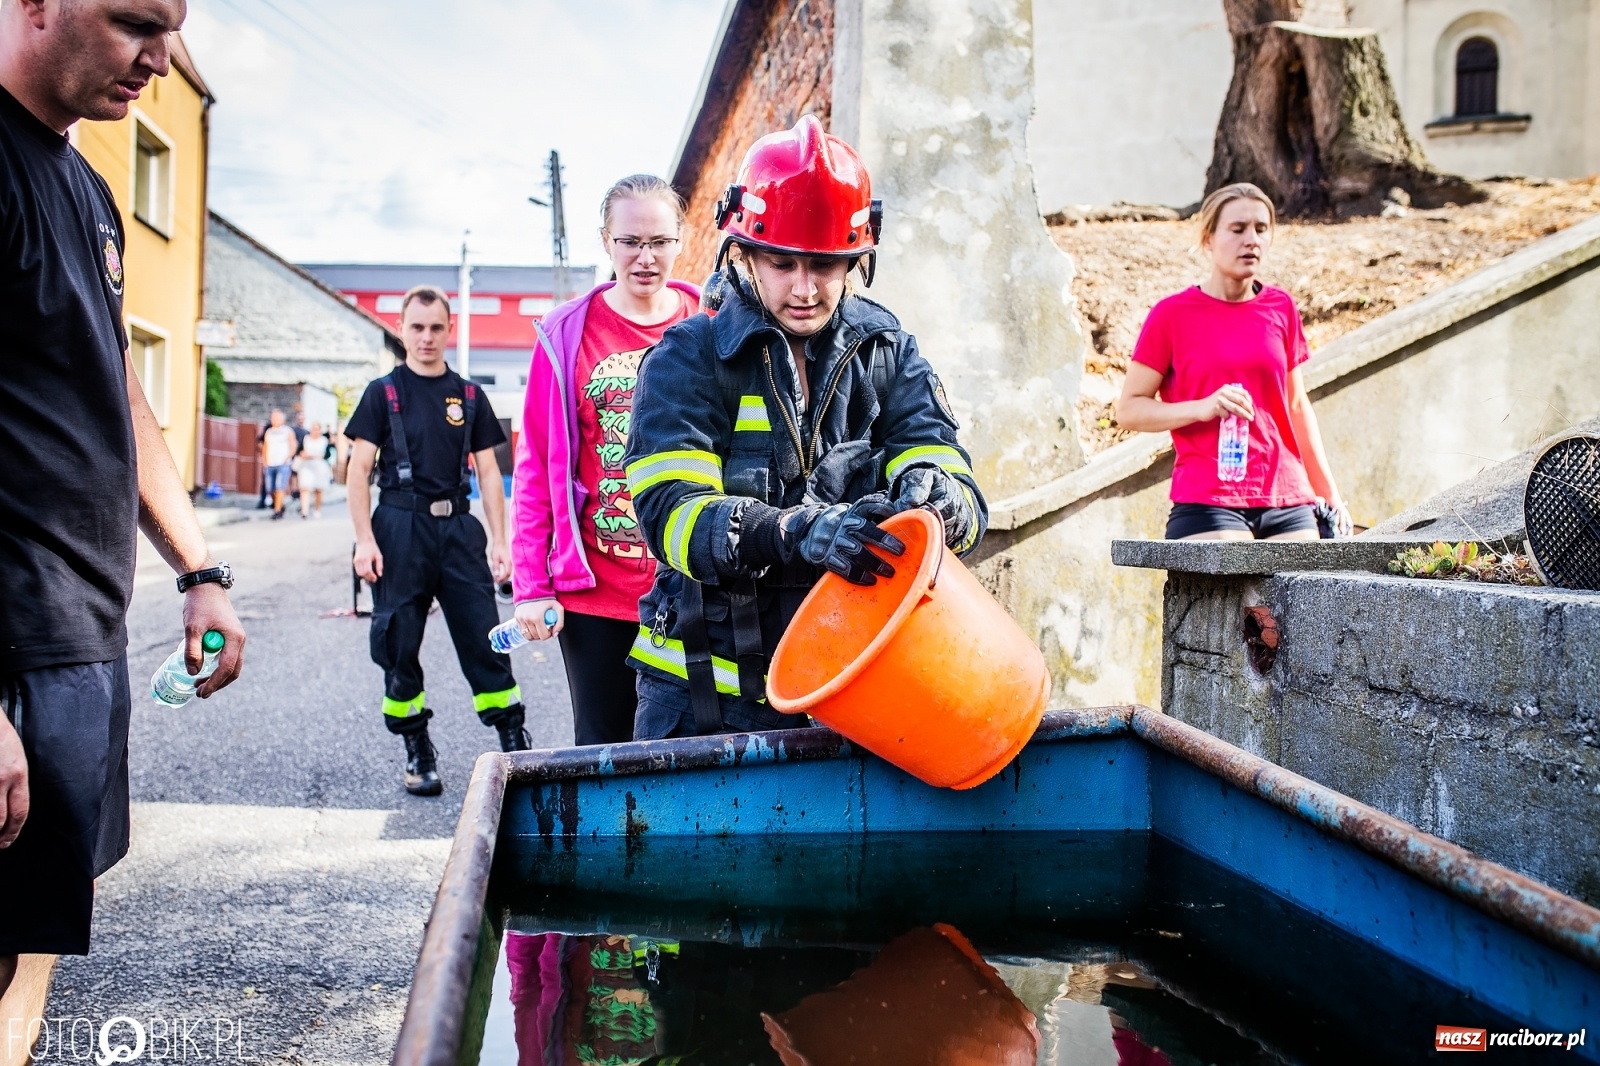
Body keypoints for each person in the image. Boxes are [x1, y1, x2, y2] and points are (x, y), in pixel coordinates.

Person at [0, 0, 246, 1049]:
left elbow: (121, 401)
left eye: (172, 27)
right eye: (135, 21)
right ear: (36, 5)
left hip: (75, 644)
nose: (161, 58)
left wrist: (201, 564)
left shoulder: (89, 186)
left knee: (29, 938)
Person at [622, 115, 986, 740]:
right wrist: (793, 533)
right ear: (746, 253)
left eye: (825, 265)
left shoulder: (887, 352)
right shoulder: (689, 357)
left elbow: (957, 482)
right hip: (705, 696)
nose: (804, 288)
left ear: (856, 261)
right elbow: (670, 516)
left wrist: (939, 496)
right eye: (782, 261)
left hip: (854, 686)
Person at [510, 175, 700, 746]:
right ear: (606, 241)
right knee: (603, 746)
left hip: (692, 583)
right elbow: (537, 466)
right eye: (630, 241)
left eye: (660, 241)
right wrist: (532, 585)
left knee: (693, 745)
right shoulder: (566, 334)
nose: (645, 258)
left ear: (681, 240)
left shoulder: (711, 322)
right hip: (598, 590)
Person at [345, 285, 525, 797]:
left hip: (458, 529)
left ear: (449, 331)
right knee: (398, 642)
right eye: (417, 327)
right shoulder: (382, 393)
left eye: (436, 327)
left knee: (483, 636)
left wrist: (499, 541)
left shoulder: (469, 395)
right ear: (402, 330)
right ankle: (416, 748)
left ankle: (512, 741)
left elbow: (490, 474)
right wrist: (364, 541)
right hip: (399, 528)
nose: (426, 337)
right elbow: (358, 472)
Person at [1116, 182, 1351, 541]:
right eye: (1238, 229)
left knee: (1298, 597)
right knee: (1235, 595)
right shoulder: (1171, 316)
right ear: (1209, 239)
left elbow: (1296, 406)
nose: (1252, 239)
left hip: (1287, 495)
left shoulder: (1281, 307)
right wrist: (1201, 408)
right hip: (1208, 499)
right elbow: (1129, 410)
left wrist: (1330, 495)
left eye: (1261, 228)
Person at [260, 408, 297, 520]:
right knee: (270, 488)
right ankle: (280, 505)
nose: (275, 420)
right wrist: (264, 461)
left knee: (280, 486)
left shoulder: (287, 431)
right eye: (273, 417)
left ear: (282, 419)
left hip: (283, 463)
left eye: (278, 417)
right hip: (270, 463)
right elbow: (265, 448)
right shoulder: (269, 432)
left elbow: (293, 446)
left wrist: (288, 458)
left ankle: (277, 510)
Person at [296, 421, 332, 518]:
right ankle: (305, 510)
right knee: (305, 487)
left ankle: (317, 509)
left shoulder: (324, 440)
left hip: (319, 466)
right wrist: (304, 454)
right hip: (306, 465)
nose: (315, 431)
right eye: (313, 429)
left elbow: (328, 454)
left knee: (318, 489)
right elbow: (299, 451)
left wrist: (318, 455)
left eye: (317, 429)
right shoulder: (306, 439)